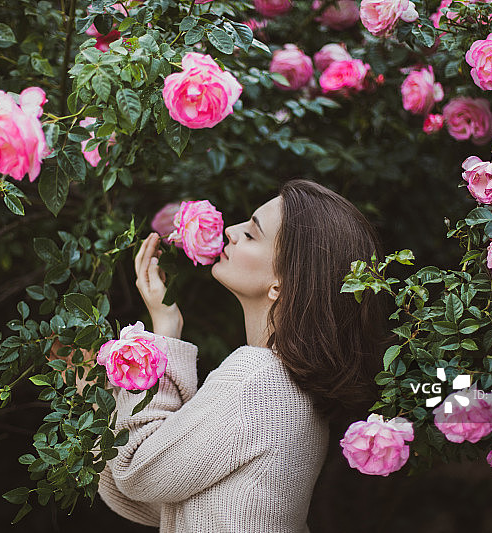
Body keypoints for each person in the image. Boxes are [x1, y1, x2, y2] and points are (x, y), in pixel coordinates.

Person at [97, 179, 386, 532]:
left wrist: (160, 338)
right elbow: (176, 497)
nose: (230, 231)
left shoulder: (257, 379)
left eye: (251, 234)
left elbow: (137, 470)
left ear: (281, 283)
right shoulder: (294, 389)